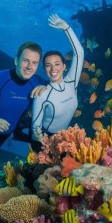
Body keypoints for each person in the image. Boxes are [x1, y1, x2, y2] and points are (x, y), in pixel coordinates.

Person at [31, 14, 84, 149]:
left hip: (66, 135)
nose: (53, 68)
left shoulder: (72, 82)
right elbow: (35, 126)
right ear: (44, 69)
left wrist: (66, 28)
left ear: (64, 67)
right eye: (48, 65)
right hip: (46, 139)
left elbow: (79, 53)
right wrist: (39, 138)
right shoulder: (42, 94)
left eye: (57, 64)